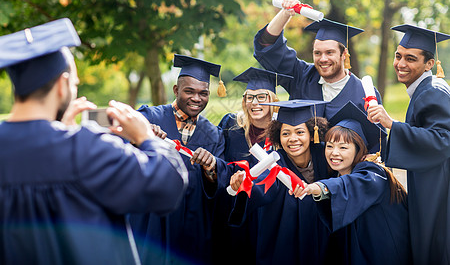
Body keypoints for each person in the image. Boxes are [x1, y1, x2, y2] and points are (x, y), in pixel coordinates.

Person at [0, 18, 188, 265]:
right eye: (74, 84)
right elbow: (167, 185)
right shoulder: (86, 148)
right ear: (61, 85)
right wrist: (145, 137)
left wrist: (62, 130)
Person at [129, 54, 230, 265]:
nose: (196, 98)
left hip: (192, 228)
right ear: (176, 90)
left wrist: (210, 167)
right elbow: (123, 157)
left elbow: (218, 187)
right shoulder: (149, 118)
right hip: (152, 222)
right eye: (189, 91)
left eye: (203, 93)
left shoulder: (214, 135)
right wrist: (142, 138)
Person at [367, 24, 450, 265]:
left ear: (429, 64)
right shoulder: (425, 89)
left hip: (437, 186)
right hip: (432, 179)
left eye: (411, 58)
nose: (401, 63)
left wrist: (392, 124)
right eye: (398, 55)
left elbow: (444, 139)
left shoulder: (430, 92)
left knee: (434, 245)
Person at [292, 101, 411, 264]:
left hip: (383, 255)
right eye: (329, 146)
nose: (334, 153)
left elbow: (353, 184)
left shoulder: (373, 172)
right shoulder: (336, 176)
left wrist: (318, 187)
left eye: (343, 147)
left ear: (358, 149)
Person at [228, 99, 333, 264]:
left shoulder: (325, 156)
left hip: (324, 242)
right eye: (286, 133)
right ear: (278, 136)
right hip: (286, 246)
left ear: (312, 133)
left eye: (299, 132)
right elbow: (262, 185)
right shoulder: (275, 163)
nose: (292, 139)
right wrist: (245, 185)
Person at [253, 0, 383, 120]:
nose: (323, 59)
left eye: (330, 52)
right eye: (317, 53)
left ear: (344, 54)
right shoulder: (301, 77)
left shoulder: (364, 93)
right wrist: (286, 13)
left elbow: (376, 138)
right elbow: (267, 46)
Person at [215, 67, 292, 264]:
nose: (254, 103)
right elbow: (219, 159)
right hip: (236, 207)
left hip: (268, 210)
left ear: (273, 99)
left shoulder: (283, 130)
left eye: (261, 97)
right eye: (249, 97)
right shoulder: (232, 124)